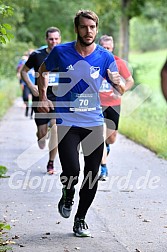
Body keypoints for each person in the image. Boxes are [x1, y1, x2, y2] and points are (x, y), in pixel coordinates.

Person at [38, 10, 124, 237]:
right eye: (84, 27)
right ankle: (68, 193)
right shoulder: (60, 52)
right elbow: (43, 71)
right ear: (77, 28)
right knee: (72, 171)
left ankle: (81, 218)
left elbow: (120, 87)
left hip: (94, 122)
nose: (89, 31)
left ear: (96, 29)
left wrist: (118, 83)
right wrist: (43, 96)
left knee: (92, 174)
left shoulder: (105, 57)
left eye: (93, 27)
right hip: (67, 121)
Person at [21, 27, 61, 174]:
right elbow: (23, 71)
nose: (54, 42)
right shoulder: (37, 55)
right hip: (40, 99)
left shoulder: (64, 55)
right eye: (51, 39)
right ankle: (41, 134)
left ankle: (51, 163)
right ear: (46, 40)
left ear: (60, 39)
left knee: (57, 128)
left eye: (56, 39)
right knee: (42, 138)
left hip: (58, 99)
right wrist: (31, 87)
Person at [98, 35, 134, 181]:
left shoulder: (118, 63)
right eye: (103, 48)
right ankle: (103, 168)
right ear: (99, 48)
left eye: (109, 48)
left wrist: (119, 91)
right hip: (97, 104)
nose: (106, 50)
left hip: (114, 104)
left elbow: (130, 81)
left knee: (111, 138)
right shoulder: (94, 62)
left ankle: (106, 147)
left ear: (112, 48)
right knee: (98, 136)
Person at [16, 50, 35, 118]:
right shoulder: (24, 62)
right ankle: (27, 109)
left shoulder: (36, 61)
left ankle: (32, 113)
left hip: (34, 83)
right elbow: (19, 71)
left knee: (34, 99)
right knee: (26, 97)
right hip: (26, 83)